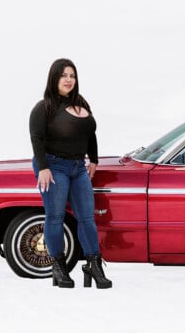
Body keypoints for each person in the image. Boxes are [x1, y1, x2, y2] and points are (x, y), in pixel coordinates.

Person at [29, 58, 112, 289]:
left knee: (87, 218)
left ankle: (93, 265)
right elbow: (36, 138)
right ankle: (59, 267)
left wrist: (93, 159)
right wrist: (43, 167)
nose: (68, 80)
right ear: (54, 78)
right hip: (53, 166)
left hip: (78, 167)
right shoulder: (44, 106)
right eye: (64, 75)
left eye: (72, 75)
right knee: (55, 216)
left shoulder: (81, 102)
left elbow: (90, 133)